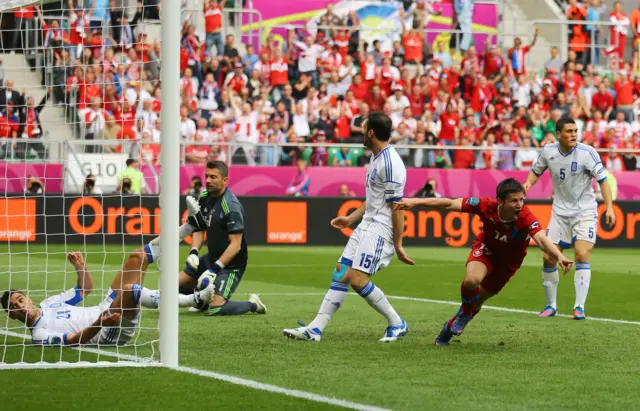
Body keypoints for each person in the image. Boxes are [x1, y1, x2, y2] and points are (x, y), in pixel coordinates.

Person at [283, 112, 414, 343]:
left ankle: (397, 323)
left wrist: (398, 243)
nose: (361, 132)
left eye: (364, 128)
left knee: (357, 278)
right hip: (366, 224)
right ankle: (315, 329)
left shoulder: (391, 163)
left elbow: (398, 206)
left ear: (371, 132)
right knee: (341, 272)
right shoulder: (376, 157)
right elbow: (374, 198)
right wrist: (351, 218)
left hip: (381, 228)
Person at [395, 178, 573, 346]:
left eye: (521, 199)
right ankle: (464, 314)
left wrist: (559, 256)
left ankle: (449, 329)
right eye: (514, 201)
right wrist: (414, 202)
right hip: (486, 249)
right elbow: (449, 203)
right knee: (472, 281)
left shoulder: (526, 217)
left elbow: (542, 240)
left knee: (476, 303)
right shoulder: (486, 205)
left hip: (508, 263)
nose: (519, 205)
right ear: (501, 201)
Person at [1, 251, 214, 346]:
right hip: (106, 332)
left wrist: (80, 268)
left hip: (104, 309)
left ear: (27, 298)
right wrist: (99, 323)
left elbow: (84, 290)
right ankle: (193, 300)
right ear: (12, 317)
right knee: (130, 290)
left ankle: (188, 226)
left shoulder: (49, 303)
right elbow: (75, 340)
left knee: (137, 257)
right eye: (14, 308)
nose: (20, 306)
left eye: (20, 300)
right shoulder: (39, 335)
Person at [146, 161, 267, 317]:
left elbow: (235, 246)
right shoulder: (204, 197)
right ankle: (200, 299)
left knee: (214, 309)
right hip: (210, 257)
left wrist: (214, 270)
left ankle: (253, 304)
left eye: (213, 177)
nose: (208, 180)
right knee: (168, 290)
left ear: (225, 180)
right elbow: (198, 227)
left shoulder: (231, 206)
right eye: (207, 176)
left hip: (230, 266)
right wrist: (194, 252)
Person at [523, 118, 616, 320]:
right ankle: (551, 305)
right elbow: (535, 172)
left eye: (576, 130)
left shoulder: (587, 153)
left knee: (582, 254)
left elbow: (603, 182)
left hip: (585, 212)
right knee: (548, 256)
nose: (574, 134)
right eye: (569, 131)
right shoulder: (548, 151)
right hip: (559, 212)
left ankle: (579, 307)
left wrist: (609, 207)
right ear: (558, 134)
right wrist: (528, 185)